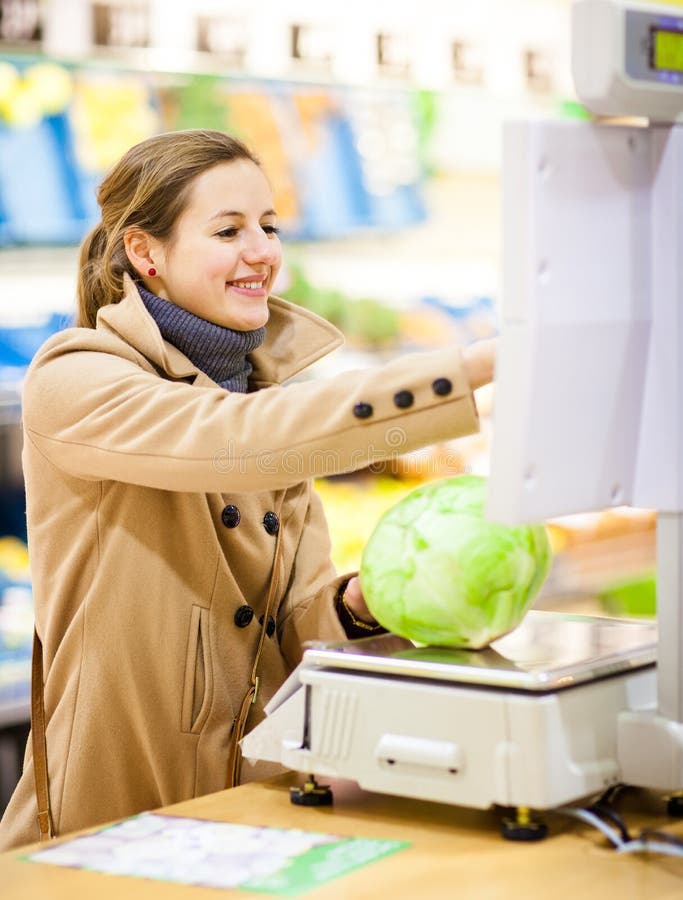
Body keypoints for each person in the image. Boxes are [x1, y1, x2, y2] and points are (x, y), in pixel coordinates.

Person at [0, 129, 495, 850]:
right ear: (146, 252)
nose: (260, 251)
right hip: (104, 821)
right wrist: (477, 365)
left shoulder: (261, 395)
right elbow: (233, 439)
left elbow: (301, 629)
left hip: (248, 817)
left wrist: (366, 601)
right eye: (228, 230)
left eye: (268, 227)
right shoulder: (77, 376)